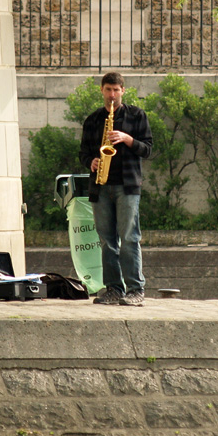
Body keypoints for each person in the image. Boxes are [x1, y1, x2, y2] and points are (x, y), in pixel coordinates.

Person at [79, 72, 153, 306]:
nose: (112, 95)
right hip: (100, 186)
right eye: (108, 89)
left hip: (127, 186)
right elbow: (83, 153)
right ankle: (113, 289)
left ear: (123, 90)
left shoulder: (137, 115)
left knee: (129, 238)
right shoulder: (92, 120)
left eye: (116, 90)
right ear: (102, 90)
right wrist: (90, 161)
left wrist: (127, 139)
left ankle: (135, 289)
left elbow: (148, 149)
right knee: (106, 241)